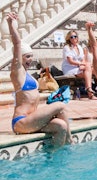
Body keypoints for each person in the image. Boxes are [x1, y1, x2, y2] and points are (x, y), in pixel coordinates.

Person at [7, 12, 72, 147]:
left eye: (31, 56)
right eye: (27, 57)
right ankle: (70, 143)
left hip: (33, 118)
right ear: (20, 58)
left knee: (60, 126)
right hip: (22, 121)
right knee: (60, 105)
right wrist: (10, 24)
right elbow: (17, 43)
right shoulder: (17, 73)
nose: (30, 60)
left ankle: (55, 160)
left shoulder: (28, 75)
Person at [61, 30, 96, 99]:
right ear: (69, 39)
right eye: (71, 37)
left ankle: (92, 89)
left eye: (75, 36)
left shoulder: (79, 47)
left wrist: (82, 64)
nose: (74, 38)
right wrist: (81, 64)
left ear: (77, 37)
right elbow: (70, 61)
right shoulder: (67, 47)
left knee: (94, 69)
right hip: (70, 68)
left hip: (78, 67)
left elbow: (83, 58)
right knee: (88, 67)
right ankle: (90, 92)